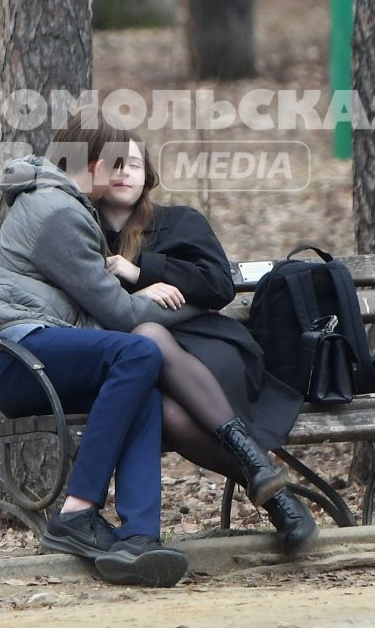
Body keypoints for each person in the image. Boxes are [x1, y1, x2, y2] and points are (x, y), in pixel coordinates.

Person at [0, 122, 203, 586]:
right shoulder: (58, 213)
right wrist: (190, 307)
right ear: (95, 165)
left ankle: (139, 539)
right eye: (117, 166)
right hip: (13, 355)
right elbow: (116, 313)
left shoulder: (62, 204)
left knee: (144, 389)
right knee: (137, 355)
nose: (121, 178)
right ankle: (77, 511)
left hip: (40, 350)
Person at [92, 133, 319, 555]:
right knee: (164, 409)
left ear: (149, 177)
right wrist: (139, 295)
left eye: (135, 165)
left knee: (150, 337)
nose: (124, 173)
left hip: (210, 352)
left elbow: (218, 285)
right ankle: (276, 494)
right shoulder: (82, 233)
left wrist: (139, 270)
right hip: (141, 369)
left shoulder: (179, 221)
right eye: (114, 164)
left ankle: (268, 483)